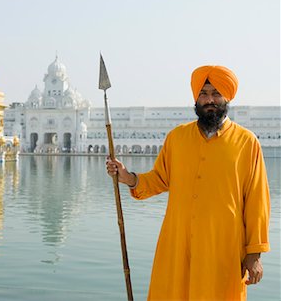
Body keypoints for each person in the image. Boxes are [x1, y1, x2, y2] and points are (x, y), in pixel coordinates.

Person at [106, 65, 270, 300]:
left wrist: (254, 254)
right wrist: (129, 178)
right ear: (196, 98)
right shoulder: (177, 138)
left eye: (215, 93)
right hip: (177, 244)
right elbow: (160, 178)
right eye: (203, 94)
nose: (209, 99)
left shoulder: (247, 142)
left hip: (221, 247)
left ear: (226, 97)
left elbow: (257, 202)